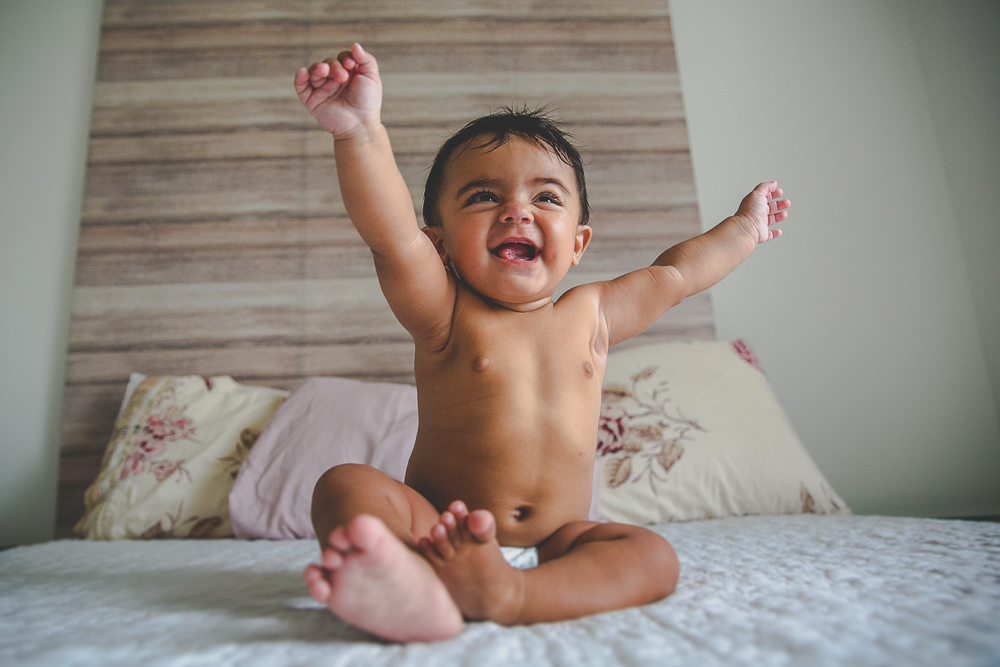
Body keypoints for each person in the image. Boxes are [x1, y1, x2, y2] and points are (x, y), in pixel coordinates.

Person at [294, 43, 789, 643]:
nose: (517, 212)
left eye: (546, 197)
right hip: (438, 528)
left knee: (653, 556)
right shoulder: (444, 313)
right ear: (441, 245)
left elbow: (678, 275)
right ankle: (410, 579)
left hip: (561, 541)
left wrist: (744, 229)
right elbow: (392, 236)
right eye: (483, 196)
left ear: (578, 244)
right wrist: (359, 131)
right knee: (344, 485)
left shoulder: (593, 313)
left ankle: (512, 594)